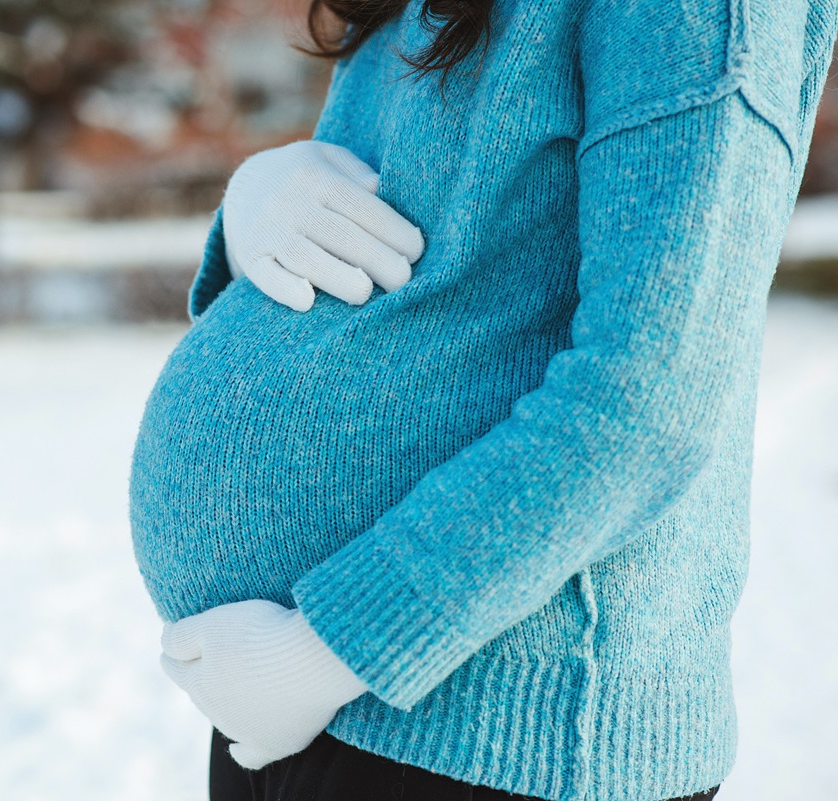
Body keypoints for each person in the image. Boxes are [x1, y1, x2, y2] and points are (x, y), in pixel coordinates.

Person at [128, 0, 838, 799]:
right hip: (306, 698)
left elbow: (645, 407)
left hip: (499, 727)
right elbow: (420, 259)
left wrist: (329, 649)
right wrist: (254, 207)